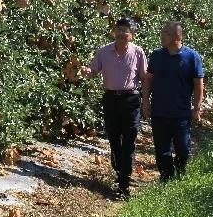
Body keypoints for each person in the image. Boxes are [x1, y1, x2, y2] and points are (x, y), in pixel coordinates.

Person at [82, 17, 147, 199]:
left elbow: (144, 77)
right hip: (111, 99)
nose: (120, 33)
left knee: (129, 138)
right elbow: (93, 70)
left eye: (125, 30)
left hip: (131, 100)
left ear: (132, 35)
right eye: (118, 29)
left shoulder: (138, 53)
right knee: (113, 138)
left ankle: (124, 182)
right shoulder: (104, 51)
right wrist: (87, 72)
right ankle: (120, 169)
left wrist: (148, 100)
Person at [142, 21, 204, 181]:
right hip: (159, 111)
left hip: (181, 113)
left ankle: (181, 172)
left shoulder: (192, 57)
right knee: (161, 150)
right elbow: (149, 79)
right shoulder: (156, 56)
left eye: (166, 33)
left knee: (183, 148)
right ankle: (166, 178)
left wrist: (196, 108)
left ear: (177, 36)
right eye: (162, 32)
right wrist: (146, 102)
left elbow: (198, 85)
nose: (162, 35)